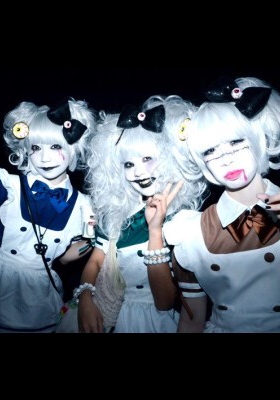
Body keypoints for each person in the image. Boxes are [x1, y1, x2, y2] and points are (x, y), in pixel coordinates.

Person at [163, 76, 280, 333]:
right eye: (210, 151)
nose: (226, 158)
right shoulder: (191, 233)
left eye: (236, 142)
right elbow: (192, 321)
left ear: (258, 139)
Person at [0, 98, 97, 333]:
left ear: (74, 149)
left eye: (56, 147)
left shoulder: (83, 205)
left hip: (38, 299)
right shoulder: (6, 187)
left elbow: (65, 258)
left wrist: (92, 240)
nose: (44, 158)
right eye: (36, 148)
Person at [77, 95, 208, 333]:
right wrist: (85, 297)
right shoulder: (117, 214)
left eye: (147, 159)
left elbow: (164, 301)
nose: (138, 172)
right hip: (118, 317)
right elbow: (96, 260)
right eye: (128, 164)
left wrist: (155, 230)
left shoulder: (184, 220)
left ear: (170, 158)